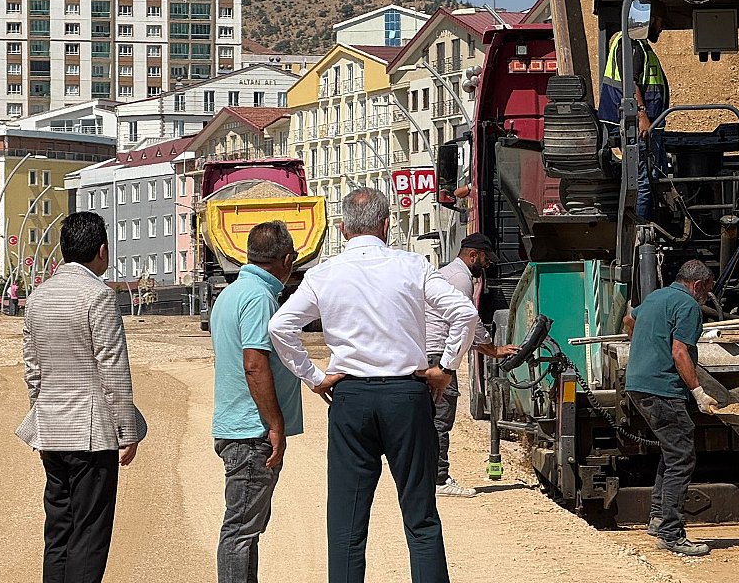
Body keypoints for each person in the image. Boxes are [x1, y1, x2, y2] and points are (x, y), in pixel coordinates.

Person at [269, 188, 478, 583]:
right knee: (420, 516)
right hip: (406, 394)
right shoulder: (413, 266)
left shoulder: (324, 273)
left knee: (347, 522)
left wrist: (314, 377)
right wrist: (445, 367)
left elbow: (281, 327)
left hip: (352, 397)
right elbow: (464, 313)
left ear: (343, 227)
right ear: (386, 225)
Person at [17, 211, 146, 583]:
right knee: (90, 532)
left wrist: (40, 417)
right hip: (91, 432)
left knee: (59, 527)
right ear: (102, 251)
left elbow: (32, 367)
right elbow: (113, 368)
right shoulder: (99, 296)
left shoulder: (39, 296)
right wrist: (126, 432)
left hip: (52, 430)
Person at [210, 220, 303, 583]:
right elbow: (253, 363)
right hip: (252, 432)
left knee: (245, 530)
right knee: (240, 531)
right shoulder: (259, 298)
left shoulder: (232, 293)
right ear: (287, 258)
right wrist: (275, 424)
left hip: (239, 426)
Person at [624, 259, 719, 557]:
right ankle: (672, 533)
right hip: (662, 388)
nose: (706, 296)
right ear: (698, 284)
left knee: (671, 450)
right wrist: (699, 393)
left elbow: (629, 320)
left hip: (638, 383)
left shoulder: (656, 297)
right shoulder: (689, 306)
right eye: (707, 290)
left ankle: (657, 517)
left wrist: (643, 346)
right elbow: (680, 351)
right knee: (681, 457)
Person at [427, 233, 518, 498]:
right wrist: (493, 349)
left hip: (427, 350)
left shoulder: (444, 274)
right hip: (440, 354)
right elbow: (468, 319)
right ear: (473, 255)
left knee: (428, 419)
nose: (487, 265)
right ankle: (439, 480)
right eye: (485, 260)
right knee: (441, 419)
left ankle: (428, 476)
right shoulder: (460, 279)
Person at [599, 6, 670, 221]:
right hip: (636, 128)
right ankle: (640, 236)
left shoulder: (636, 44)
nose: (661, 26)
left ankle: (646, 232)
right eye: (658, 21)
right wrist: (642, 116)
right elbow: (630, 83)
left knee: (649, 178)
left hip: (644, 126)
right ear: (646, 20)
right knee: (642, 182)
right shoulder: (629, 44)